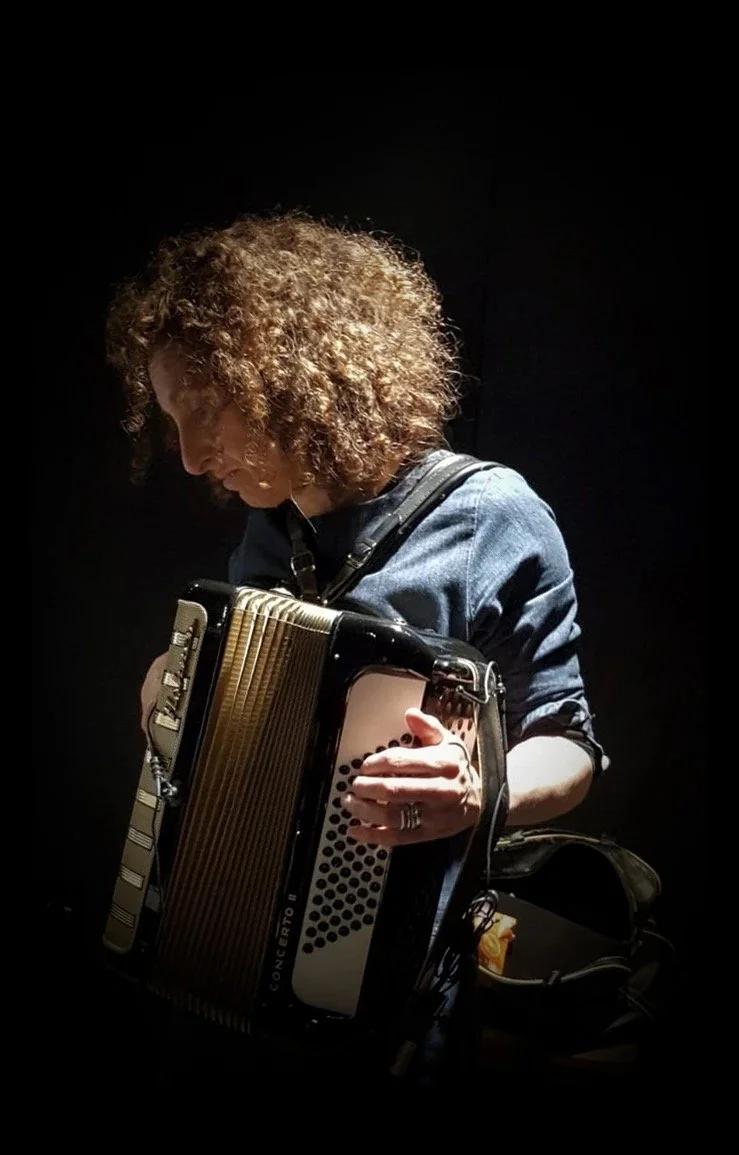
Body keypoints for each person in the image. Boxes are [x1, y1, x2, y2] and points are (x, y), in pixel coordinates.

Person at [104, 209, 607, 1093]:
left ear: (288, 376)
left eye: (206, 413)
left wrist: (481, 785)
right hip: (225, 967)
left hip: (405, 995)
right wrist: (177, 683)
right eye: (173, 421)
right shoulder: (271, 534)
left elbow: (569, 745)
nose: (187, 458)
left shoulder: (492, 518)